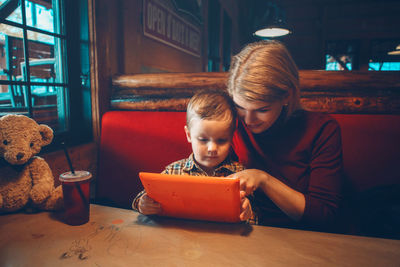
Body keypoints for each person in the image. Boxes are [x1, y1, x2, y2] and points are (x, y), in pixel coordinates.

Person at [226, 40, 344, 231]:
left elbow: (324, 215)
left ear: (287, 96)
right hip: (246, 232)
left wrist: (263, 180)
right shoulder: (232, 122)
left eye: (262, 109)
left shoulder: (322, 129)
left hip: (304, 236)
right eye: (240, 107)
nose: (248, 120)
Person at [132, 90, 253, 221]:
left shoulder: (241, 174)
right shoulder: (174, 171)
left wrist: (247, 212)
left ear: (231, 137)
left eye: (221, 140)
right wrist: (143, 204)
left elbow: (255, 219)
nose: (212, 148)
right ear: (189, 135)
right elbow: (144, 197)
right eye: (203, 140)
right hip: (179, 235)